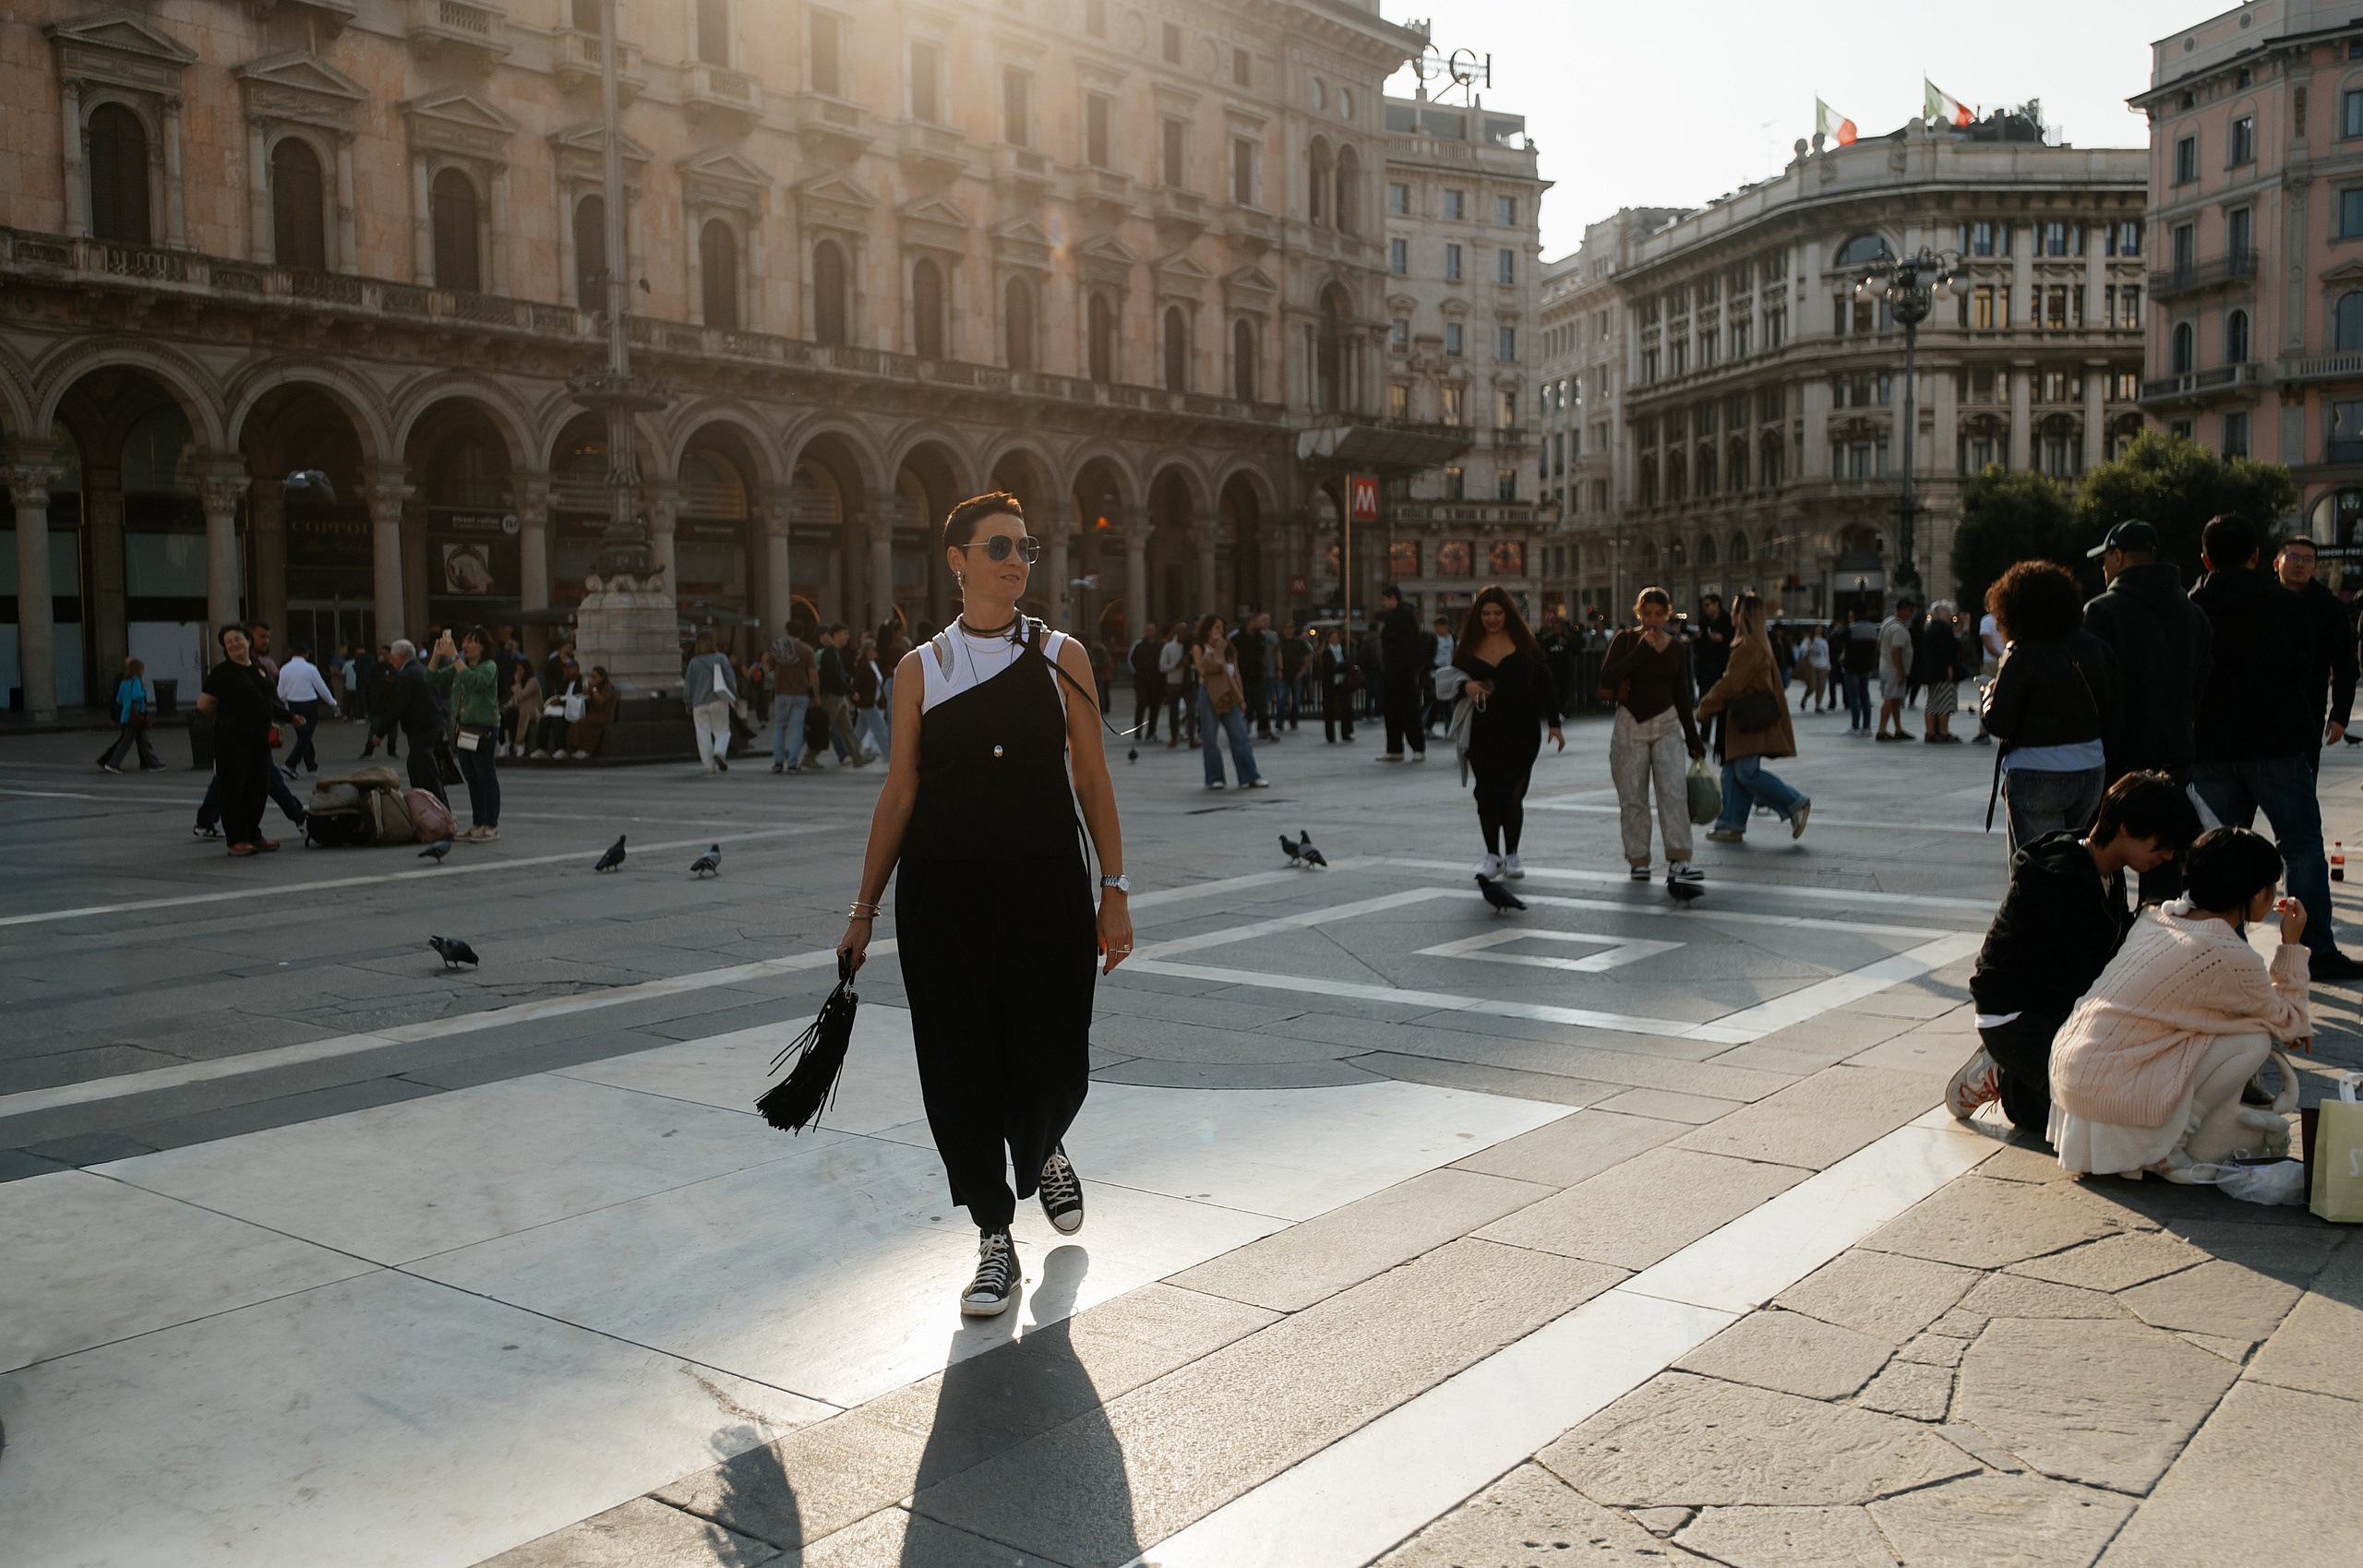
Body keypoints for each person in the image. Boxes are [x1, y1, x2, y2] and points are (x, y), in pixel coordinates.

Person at [834, 492, 1133, 1317]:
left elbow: (1092, 778)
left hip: (1045, 890)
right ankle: (994, 1237)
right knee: (958, 1067)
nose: (1016, 559)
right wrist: (863, 908)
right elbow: (900, 793)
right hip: (945, 897)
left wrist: (1115, 890)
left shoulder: (1061, 653)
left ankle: (1044, 1144)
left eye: (1026, 547)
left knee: (1050, 1047)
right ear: (956, 559)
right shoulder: (918, 669)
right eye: (998, 545)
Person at [2047, 827, 2313, 1179]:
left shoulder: (2159, 917)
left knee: (2243, 1025)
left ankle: (2164, 1141)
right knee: (2254, 1041)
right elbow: (2290, 1023)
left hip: (2072, 1074)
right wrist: (2291, 946)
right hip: (2110, 1090)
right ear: (2254, 893)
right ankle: (2170, 1147)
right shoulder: (2228, 954)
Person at [1949, 772, 2202, 1138]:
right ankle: (2005, 1077)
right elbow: (2100, 972)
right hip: (2014, 1017)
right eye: (2162, 845)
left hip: (2055, 1003)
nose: (2167, 857)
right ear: (2127, 829)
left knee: (2101, 1099)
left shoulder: (2104, 869)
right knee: (2086, 1116)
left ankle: (2023, 1075)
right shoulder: (2061, 880)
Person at [2187, 513, 2363, 981]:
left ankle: (2227, 955)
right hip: (2277, 743)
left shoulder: (2192, 605)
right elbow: (2305, 669)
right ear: (2258, 557)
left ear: (2205, 558)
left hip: (2211, 747)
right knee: (2302, 847)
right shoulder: (2285, 605)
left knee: (2219, 851)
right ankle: (2314, 952)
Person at [1981, 561, 2117, 854]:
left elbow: (2000, 722)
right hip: (2090, 767)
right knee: (2075, 862)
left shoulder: (2021, 654)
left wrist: (1987, 696)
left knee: (2038, 870)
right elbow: (2111, 706)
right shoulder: (2095, 647)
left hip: (2036, 771)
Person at [2081, 518, 2213, 785]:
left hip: (2118, 757)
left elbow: (2091, 689)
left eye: (2103, 560)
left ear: (2118, 556)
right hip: (2177, 752)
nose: (2103, 568)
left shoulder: (2101, 611)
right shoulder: (2194, 613)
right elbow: (2202, 681)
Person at [1452, 586, 1564, 878]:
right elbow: (1450, 683)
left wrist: (1555, 723)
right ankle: (1492, 855)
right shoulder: (1467, 646)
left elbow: (1545, 682)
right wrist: (1467, 687)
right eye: (1486, 613)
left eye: (1497, 613)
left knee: (1514, 794)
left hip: (1522, 729)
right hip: (1483, 729)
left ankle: (1512, 855)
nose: (1491, 618)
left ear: (1508, 614)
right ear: (1478, 615)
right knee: (1486, 793)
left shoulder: (1524, 643)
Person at [1601, 587, 1706, 885]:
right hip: (1631, 723)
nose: (1653, 620)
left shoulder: (1677, 648)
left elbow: (1682, 695)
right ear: (1639, 612)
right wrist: (1640, 651)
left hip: (1667, 723)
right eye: (1647, 614)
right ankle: (1638, 860)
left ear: (1668, 614)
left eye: (1659, 614)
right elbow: (1608, 676)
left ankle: (1680, 859)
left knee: (1674, 793)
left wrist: (1693, 739)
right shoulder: (1626, 640)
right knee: (1633, 797)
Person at [1697, 592, 1810, 844]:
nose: (1733, 615)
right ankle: (1730, 823)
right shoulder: (1754, 643)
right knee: (1732, 771)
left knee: (1746, 772)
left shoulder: (1748, 647)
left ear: (1743, 615)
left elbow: (1731, 684)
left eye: (1736, 610)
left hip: (1747, 719)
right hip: (1744, 719)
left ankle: (1794, 802)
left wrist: (1705, 706)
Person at [197, 625, 291, 855]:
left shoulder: (258, 668)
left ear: (248, 641)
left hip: (258, 739)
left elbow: (266, 699)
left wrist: (289, 717)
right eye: (229, 642)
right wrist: (231, 714)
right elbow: (204, 704)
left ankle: (253, 833)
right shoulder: (222, 672)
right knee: (233, 788)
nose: (235, 644)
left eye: (238, 639)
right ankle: (237, 838)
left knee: (258, 786)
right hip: (232, 739)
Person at [2273, 534, 2357, 769]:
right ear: (2277, 563)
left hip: (2308, 710)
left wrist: (2340, 714)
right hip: (2260, 711)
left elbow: (2343, 665)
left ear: (2315, 567)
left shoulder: (2329, 607)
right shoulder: (2262, 600)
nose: (2300, 564)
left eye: (2307, 559)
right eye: (2293, 557)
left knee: (2303, 784)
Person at [426, 627, 502, 839]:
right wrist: (436, 655)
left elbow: (474, 682)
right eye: (465, 641)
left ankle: (491, 823)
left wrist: (454, 658)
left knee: (486, 775)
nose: (465, 646)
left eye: (471, 642)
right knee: (472, 777)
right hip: (464, 728)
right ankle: (478, 821)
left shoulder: (489, 666)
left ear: (483, 647)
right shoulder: (461, 666)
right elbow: (431, 678)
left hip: (483, 728)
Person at [1193, 615, 1266, 789]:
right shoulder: (1199, 648)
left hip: (1229, 693)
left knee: (1240, 736)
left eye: (1222, 627)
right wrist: (1217, 652)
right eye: (1217, 627)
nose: (1220, 631)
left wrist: (1240, 697)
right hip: (1209, 693)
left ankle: (1250, 776)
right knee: (1210, 738)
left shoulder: (1229, 648)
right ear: (1208, 629)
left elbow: (1236, 674)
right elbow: (1204, 671)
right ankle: (1215, 777)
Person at [373, 638, 449, 802]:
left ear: (400, 656)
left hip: (422, 729)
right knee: (416, 769)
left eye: (393, 658)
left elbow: (396, 707)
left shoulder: (406, 676)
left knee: (428, 774)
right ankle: (422, 808)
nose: (391, 663)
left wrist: (379, 733)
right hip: (434, 725)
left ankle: (442, 813)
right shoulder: (423, 670)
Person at [1375, 583, 1427, 760]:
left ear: (1392, 598)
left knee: (1407, 709)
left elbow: (1387, 637)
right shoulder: (1400, 615)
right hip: (1395, 670)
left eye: (1384, 599)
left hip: (1402, 670)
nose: (1383, 603)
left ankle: (1417, 748)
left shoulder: (1402, 615)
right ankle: (1395, 749)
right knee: (1392, 710)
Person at [275, 642, 337, 776]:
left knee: (303, 736)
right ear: (306, 654)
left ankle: (311, 766)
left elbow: (280, 692)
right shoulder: (310, 668)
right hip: (309, 704)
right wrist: (332, 703)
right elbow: (322, 688)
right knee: (305, 736)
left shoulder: (285, 669)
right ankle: (291, 763)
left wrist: (287, 701)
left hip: (293, 704)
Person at [682, 630, 740, 775]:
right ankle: (719, 751)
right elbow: (730, 679)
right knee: (722, 731)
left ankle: (708, 766)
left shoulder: (693, 662)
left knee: (703, 734)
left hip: (698, 704)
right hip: (718, 700)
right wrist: (735, 697)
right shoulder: (721, 658)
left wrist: (688, 703)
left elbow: (688, 686)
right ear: (713, 643)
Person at [98, 656, 163, 772]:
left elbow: (119, 700)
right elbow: (136, 696)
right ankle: (113, 763)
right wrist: (144, 692)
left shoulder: (124, 682)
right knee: (127, 743)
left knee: (142, 741)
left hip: (127, 715)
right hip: (136, 716)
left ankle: (154, 764)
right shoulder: (136, 680)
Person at [767, 626, 817, 773]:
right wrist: (817, 694)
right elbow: (813, 674)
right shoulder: (807, 650)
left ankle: (778, 762)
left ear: (787, 631)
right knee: (797, 728)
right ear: (801, 633)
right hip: (800, 694)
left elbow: (767, 667)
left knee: (779, 727)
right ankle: (793, 763)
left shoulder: (777, 648)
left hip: (781, 693)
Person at [1916, 602, 1965, 743]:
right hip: (1942, 673)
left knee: (1932, 703)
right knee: (1945, 703)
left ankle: (1930, 732)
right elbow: (1947, 650)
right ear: (1944, 614)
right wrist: (1949, 669)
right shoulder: (1943, 629)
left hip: (1931, 673)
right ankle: (1943, 733)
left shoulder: (1931, 628)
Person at [1875, 595, 1917, 741]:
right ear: (1903, 610)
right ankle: (1881, 730)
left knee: (1896, 700)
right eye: (1910, 610)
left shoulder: (1887, 623)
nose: (1911, 614)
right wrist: (1900, 672)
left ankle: (1898, 728)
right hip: (1894, 670)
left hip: (1886, 667)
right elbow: (1895, 650)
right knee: (1890, 698)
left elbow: (1880, 644)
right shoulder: (1898, 629)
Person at [852, 635, 894, 760]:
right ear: (868, 651)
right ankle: (890, 756)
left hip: (871, 701)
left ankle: (849, 752)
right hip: (868, 702)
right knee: (881, 731)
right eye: (873, 649)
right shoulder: (863, 665)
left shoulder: (872, 664)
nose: (876, 652)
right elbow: (859, 683)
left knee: (859, 731)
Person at [1841, 607, 1880, 733]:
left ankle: (1855, 726)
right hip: (1866, 666)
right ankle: (1867, 726)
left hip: (1852, 666)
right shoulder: (1873, 629)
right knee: (1865, 696)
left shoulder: (1851, 629)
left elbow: (1842, 642)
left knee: (1854, 697)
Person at [1972, 602, 2006, 743]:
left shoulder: (1990, 621)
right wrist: (2002, 656)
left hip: (1995, 660)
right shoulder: (1990, 620)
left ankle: (1985, 730)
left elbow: (1986, 642)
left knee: (1989, 694)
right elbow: (1987, 642)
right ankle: (1985, 729)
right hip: (1996, 660)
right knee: (1988, 694)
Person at [567, 665, 617, 760]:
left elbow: (601, 701)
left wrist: (593, 690)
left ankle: (586, 750)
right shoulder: (595, 689)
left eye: (595, 677)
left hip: (605, 715)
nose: (592, 679)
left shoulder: (608, 688)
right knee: (577, 723)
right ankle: (575, 747)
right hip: (593, 714)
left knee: (585, 723)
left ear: (602, 677)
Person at [1318, 625, 1357, 742]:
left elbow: (1348, 663)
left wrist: (1343, 666)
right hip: (1330, 684)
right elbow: (1331, 668)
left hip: (1342, 683)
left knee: (1346, 708)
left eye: (1337, 637)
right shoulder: (1326, 653)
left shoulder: (1342, 650)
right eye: (1333, 637)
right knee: (1329, 710)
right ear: (1328, 639)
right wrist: (1343, 666)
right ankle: (1330, 736)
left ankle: (1346, 733)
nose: (1335, 639)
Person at [359, 642, 398, 760]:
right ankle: (368, 751)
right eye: (381, 653)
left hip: (391, 703)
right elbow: (367, 678)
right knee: (374, 728)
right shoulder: (374, 667)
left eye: (385, 654)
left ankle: (392, 751)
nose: (383, 656)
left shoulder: (393, 667)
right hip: (378, 702)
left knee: (392, 730)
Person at [1129, 622, 1165, 743]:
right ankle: (1138, 731)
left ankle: (1151, 732)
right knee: (1141, 706)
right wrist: (1137, 674)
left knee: (1155, 707)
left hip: (1156, 682)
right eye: (1147, 629)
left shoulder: (1160, 645)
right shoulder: (1138, 645)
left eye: (1152, 629)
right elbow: (1130, 660)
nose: (1150, 631)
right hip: (1142, 682)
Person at [502, 661, 543, 760]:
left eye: (520, 669)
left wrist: (517, 683)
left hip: (533, 712)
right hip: (520, 711)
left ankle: (519, 743)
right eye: (517, 670)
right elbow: (514, 699)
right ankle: (505, 743)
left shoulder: (533, 681)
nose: (518, 672)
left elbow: (521, 696)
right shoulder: (521, 684)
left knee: (523, 712)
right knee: (507, 714)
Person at [1158, 623, 1190, 746]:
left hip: (1188, 682)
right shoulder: (1168, 647)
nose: (1183, 633)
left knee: (1191, 709)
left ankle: (1191, 735)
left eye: (1185, 630)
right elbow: (1162, 667)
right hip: (1173, 682)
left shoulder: (1191, 646)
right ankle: (1174, 736)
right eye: (1181, 630)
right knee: (1173, 711)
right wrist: (1176, 665)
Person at [1427, 614, 1458, 735]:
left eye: (1438, 627)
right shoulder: (1433, 640)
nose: (1436, 630)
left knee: (1441, 700)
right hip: (1436, 674)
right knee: (1442, 699)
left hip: (1449, 673)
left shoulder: (1453, 639)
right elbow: (1428, 656)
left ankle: (1428, 726)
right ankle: (1451, 726)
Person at [1277, 619, 1310, 733]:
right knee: (1281, 698)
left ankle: (1294, 721)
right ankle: (1280, 721)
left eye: (1291, 628)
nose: (1288, 631)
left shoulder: (1299, 642)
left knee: (1296, 699)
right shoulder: (1279, 642)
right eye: (1286, 628)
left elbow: (1310, 654)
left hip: (1296, 674)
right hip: (1283, 674)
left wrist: (1303, 670)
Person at [1799, 623, 1831, 712]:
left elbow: (1826, 654)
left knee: (1821, 686)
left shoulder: (1823, 641)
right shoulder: (1808, 640)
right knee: (1812, 686)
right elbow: (1802, 649)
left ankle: (1818, 704)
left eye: (1820, 629)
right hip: (1812, 665)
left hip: (1822, 666)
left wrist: (1828, 665)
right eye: (1817, 629)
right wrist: (1807, 650)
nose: (1819, 631)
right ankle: (1805, 697)